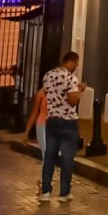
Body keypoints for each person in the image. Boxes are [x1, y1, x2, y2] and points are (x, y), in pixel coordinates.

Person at [34, 52, 85, 202]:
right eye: (76, 63)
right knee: (67, 158)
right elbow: (72, 101)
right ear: (73, 61)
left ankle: (46, 191)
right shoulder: (71, 78)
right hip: (68, 122)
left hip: (52, 120)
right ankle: (64, 192)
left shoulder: (48, 76)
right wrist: (80, 91)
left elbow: (50, 94)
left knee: (49, 156)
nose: (76, 66)